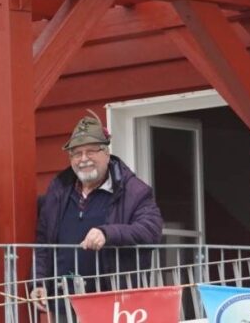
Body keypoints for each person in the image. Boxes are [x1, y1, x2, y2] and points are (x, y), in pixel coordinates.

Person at [28, 112, 163, 315]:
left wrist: (108, 234)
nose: (83, 159)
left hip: (115, 304)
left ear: (106, 154)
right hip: (64, 304)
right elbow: (43, 242)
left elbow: (151, 230)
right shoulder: (59, 189)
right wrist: (38, 282)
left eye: (91, 151)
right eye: (76, 153)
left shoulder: (134, 190)